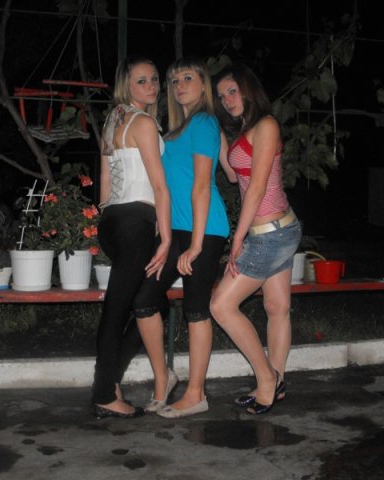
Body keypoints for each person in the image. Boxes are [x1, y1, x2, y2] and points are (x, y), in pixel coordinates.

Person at [134, 58, 229, 418]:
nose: (179, 85)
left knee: (196, 308)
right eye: (174, 81)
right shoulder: (174, 130)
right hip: (177, 231)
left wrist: (197, 245)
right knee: (144, 300)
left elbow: (202, 185)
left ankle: (196, 394)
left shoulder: (203, 122)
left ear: (204, 85)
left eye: (188, 78)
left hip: (206, 228)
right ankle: (164, 378)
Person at [210, 62, 302, 415]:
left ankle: (266, 379)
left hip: (270, 234)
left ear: (248, 89)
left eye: (232, 91)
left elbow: (258, 187)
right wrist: (220, 135)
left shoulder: (266, 125)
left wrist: (238, 238)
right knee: (276, 308)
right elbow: (235, 177)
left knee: (221, 305)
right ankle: (277, 383)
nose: (227, 100)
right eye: (222, 96)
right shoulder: (245, 131)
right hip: (278, 230)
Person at [91, 55, 171, 419]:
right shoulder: (143, 123)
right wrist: (165, 237)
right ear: (127, 85)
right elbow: (159, 186)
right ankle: (104, 393)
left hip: (112, 221)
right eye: (142, 81)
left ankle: (110, 383)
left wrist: (108, 219)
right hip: (136, 222)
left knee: (148, 301)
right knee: (118, 309)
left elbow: (105, 180)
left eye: (154, 79)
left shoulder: (113, 121)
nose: (151, 86)